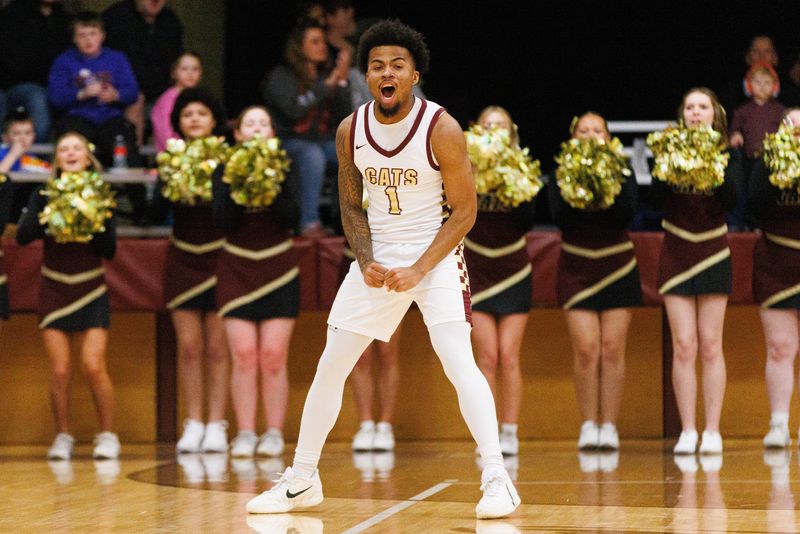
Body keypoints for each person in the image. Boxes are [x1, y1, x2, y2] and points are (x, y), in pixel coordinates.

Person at [246, 19, 520, 519]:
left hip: (433, 259)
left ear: (414, 75)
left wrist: (418, 269)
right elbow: (351, 206)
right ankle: (302, 479)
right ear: (366, 76)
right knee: (331, 366)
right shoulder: (351, 128)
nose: (386, 72)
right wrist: (367, 259)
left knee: (458, 361)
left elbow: (465, 212)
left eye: (397, 64)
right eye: (376, 66)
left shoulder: (442, 127)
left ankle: (498, 478)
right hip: (378, 260)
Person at [15, 131, 120, 461]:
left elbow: (110, 250)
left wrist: (91, 216)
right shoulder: (44, 193)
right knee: (60, 369)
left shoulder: (101, 193)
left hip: (90, 288)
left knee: (93, 365)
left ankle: (107, 435)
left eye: (77, 148)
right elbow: (22, 236)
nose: (71, 154)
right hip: (55, 288)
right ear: (57, 159)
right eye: (64, 150)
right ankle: (63, 435)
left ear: (87, 158)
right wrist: (48, 208)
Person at [650, 87, 743, 455]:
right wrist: (672, 165)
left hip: (712, 251)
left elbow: (735, 199)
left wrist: (711, 166)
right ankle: (688, 430)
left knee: (710, 344)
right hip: (676, 251)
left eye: (702, 106)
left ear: (714, 114)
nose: (695, 112)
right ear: (682, 114)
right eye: (689, 106)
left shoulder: (727, 152)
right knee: (684, 345)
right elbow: (656, 197)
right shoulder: (669, 147)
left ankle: (713, 430)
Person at [548, 111, 642, 451]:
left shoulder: (622, 166)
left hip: (617, 265)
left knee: (612, 349)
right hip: (576, 265)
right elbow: (560, 218)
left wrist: (604, 184)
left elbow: (627, 213)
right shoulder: (560, 169)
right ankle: (589, 424)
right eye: (583, 131)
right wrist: (580, 185)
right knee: (587, 350)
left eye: (597, 130)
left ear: (607, 136)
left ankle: (610, 427)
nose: (590, 135)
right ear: (573, 138)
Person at [213, 105, 300, 458]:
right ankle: (246, 432)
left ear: (272, 134)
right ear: (238, 134)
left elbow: (292, 217)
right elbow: (224, 221)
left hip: (278, 268)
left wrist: (270, 180)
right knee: (245, 355)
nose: (256, 129)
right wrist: (243, 181)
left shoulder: (286, 166)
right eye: (249, 123)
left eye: (264, 123)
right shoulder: (224, 169)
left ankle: (274, 433)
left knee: (273, 356)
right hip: (236, 268)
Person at [154, 87, 230, 454]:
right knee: (189, 347)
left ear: (214, 121)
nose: (195, 118)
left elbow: (231, 212)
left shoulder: (230, 160)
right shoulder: (170, 160)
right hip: (183, 257)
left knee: (217, 347)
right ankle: (194, 422)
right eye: (187, 114)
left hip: (220, 259)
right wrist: (164, 179)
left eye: (202, 113)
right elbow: (153, 210)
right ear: (179, 124)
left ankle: (216, 423)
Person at [464, 105, 536, 457]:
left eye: (501, 126)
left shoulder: (519, 167)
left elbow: (527, 222)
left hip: (513, 269)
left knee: (509, 355)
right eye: (487, 125)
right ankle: (488, 435)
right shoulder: (464, 165)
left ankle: (510, 431)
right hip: (476, 267)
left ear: (511, 134)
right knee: (487, 356)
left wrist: (509, 179)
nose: (494, 131)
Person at [47, 10, 146, 223]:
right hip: (77, 117)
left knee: (127, 148)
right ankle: (64, 206)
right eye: (82, 35)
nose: (88, 39)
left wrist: (116, 95)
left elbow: (132, 91)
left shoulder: (117, 58)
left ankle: (141, 210)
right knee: (70, 146)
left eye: (92, 34)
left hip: (110, 117)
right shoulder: (63, 61)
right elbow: (56, 98)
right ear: (75, 38)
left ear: (102, 35)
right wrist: (81, 93)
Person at [261, 16, 352, 237]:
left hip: (322, 142)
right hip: (289, 142)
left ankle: (345, 222)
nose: (322, 46)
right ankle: (309, 222)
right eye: (315, 41)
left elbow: (345, 116)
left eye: (323, 41)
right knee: (312, 155)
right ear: (299, 47)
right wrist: (326, 86)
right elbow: (294, 111)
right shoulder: (280, 77)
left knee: (349, 153)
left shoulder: (325, 75)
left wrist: (340, 82)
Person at [748, 108, 800, 448]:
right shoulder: (767, 160)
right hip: (776, 262)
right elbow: (753, 204)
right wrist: (779, 169)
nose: (796, 131)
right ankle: (779, 424)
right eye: (790, 125)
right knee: (781, 348)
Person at [102, 0, 184, 146]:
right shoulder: (116, 17)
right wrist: (132, 91)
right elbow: (104, 61)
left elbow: (174, 64)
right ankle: (134, 160)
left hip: (159, 89)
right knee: (135, 101)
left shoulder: (171, 21)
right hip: (122, 89)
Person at [0, 0, 72, 142]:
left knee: (44, 97)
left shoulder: (63, 19)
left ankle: (34, 160)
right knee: (36, 96)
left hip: (49, 85)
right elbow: (12, 61)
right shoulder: (12, 15)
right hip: (12, 84)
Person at [729, 63, 785, 229]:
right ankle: (742, 223)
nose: (762, 86)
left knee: (766, 192)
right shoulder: (742, 110)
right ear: (748, 85)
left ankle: (765, 223)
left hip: (771, 162)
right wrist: (735, 135)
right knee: (745, 191)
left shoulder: (779, 110)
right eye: (758, 82)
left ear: (774, 86)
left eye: (767, 83)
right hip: (749, 160)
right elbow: (734, 129)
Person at [0, 108, 51, 225]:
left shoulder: (33, 158)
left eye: (27, 133)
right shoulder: (2, 152)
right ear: (5, 137)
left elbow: (50, 172)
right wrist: (13, 154)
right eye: (17, 133)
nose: (23, 138)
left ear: (34, 135)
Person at [150, 50, 203, 153]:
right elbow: (165, 133)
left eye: (195, 69)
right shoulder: (167, 100)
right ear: (174, 73)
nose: (190, 73)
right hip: (173, 156)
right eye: (184, 69)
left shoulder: (202, 98)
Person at [718, 35, 780, 116]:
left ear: (775, 57)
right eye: (756, 51)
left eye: (767, 51)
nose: (762, 56)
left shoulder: (788, 91)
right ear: (747, 57)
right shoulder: (732, 90)